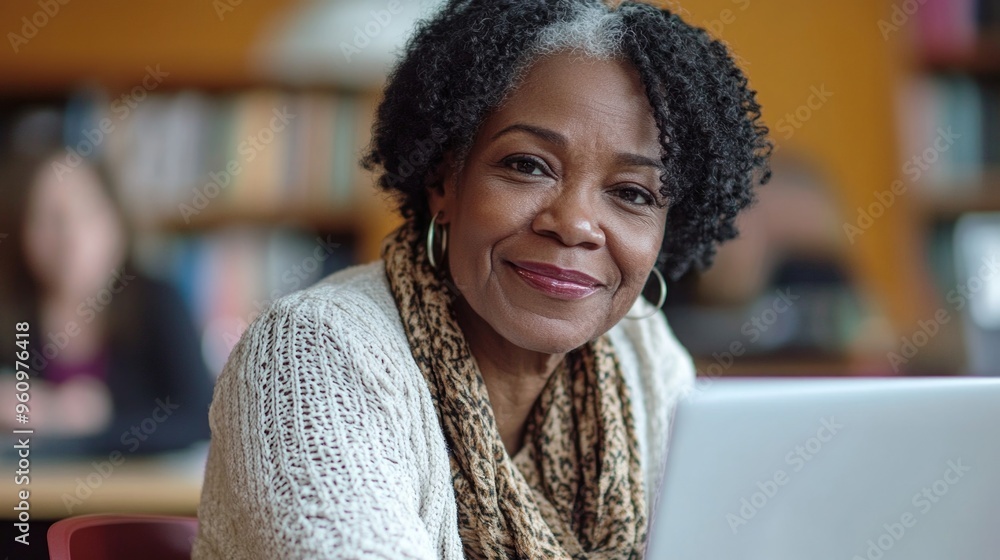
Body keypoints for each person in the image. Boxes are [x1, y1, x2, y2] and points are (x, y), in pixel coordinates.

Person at [194, 1, 770, 558]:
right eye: (527, 165)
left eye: (632, 194)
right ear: (446, 182)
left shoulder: (647, 359)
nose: (573, 225)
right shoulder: (311, 354)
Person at [0, 151, 214, 456]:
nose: (70, 237)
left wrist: (92, 423)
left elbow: (201, 420)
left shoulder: (157, 300)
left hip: (135, 499)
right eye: (48, 218)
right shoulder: (11, 309)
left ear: (117, 224)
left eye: (86, 213)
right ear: (22, 233)